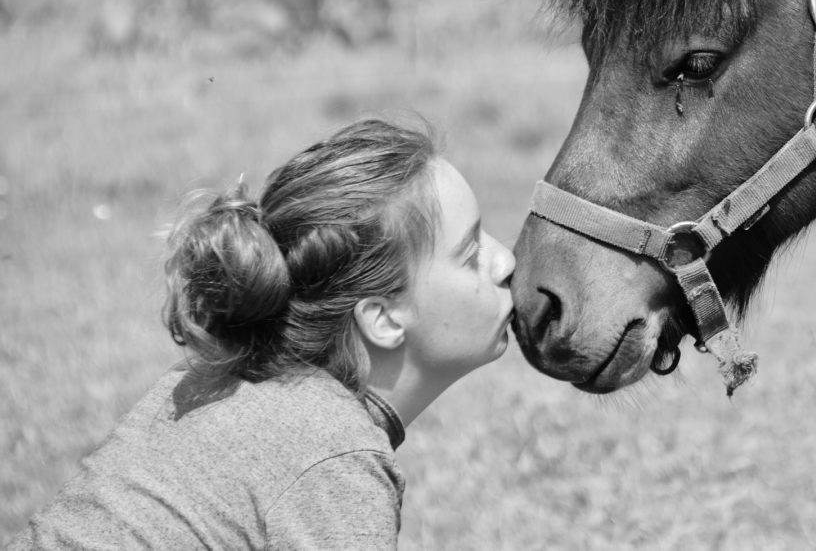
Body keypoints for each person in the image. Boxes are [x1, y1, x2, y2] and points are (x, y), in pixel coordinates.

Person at [8, 118, 516, 549]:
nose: (506, 261)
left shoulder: (212, 384)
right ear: (382, 319)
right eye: (470, 256)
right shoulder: (330, 457)